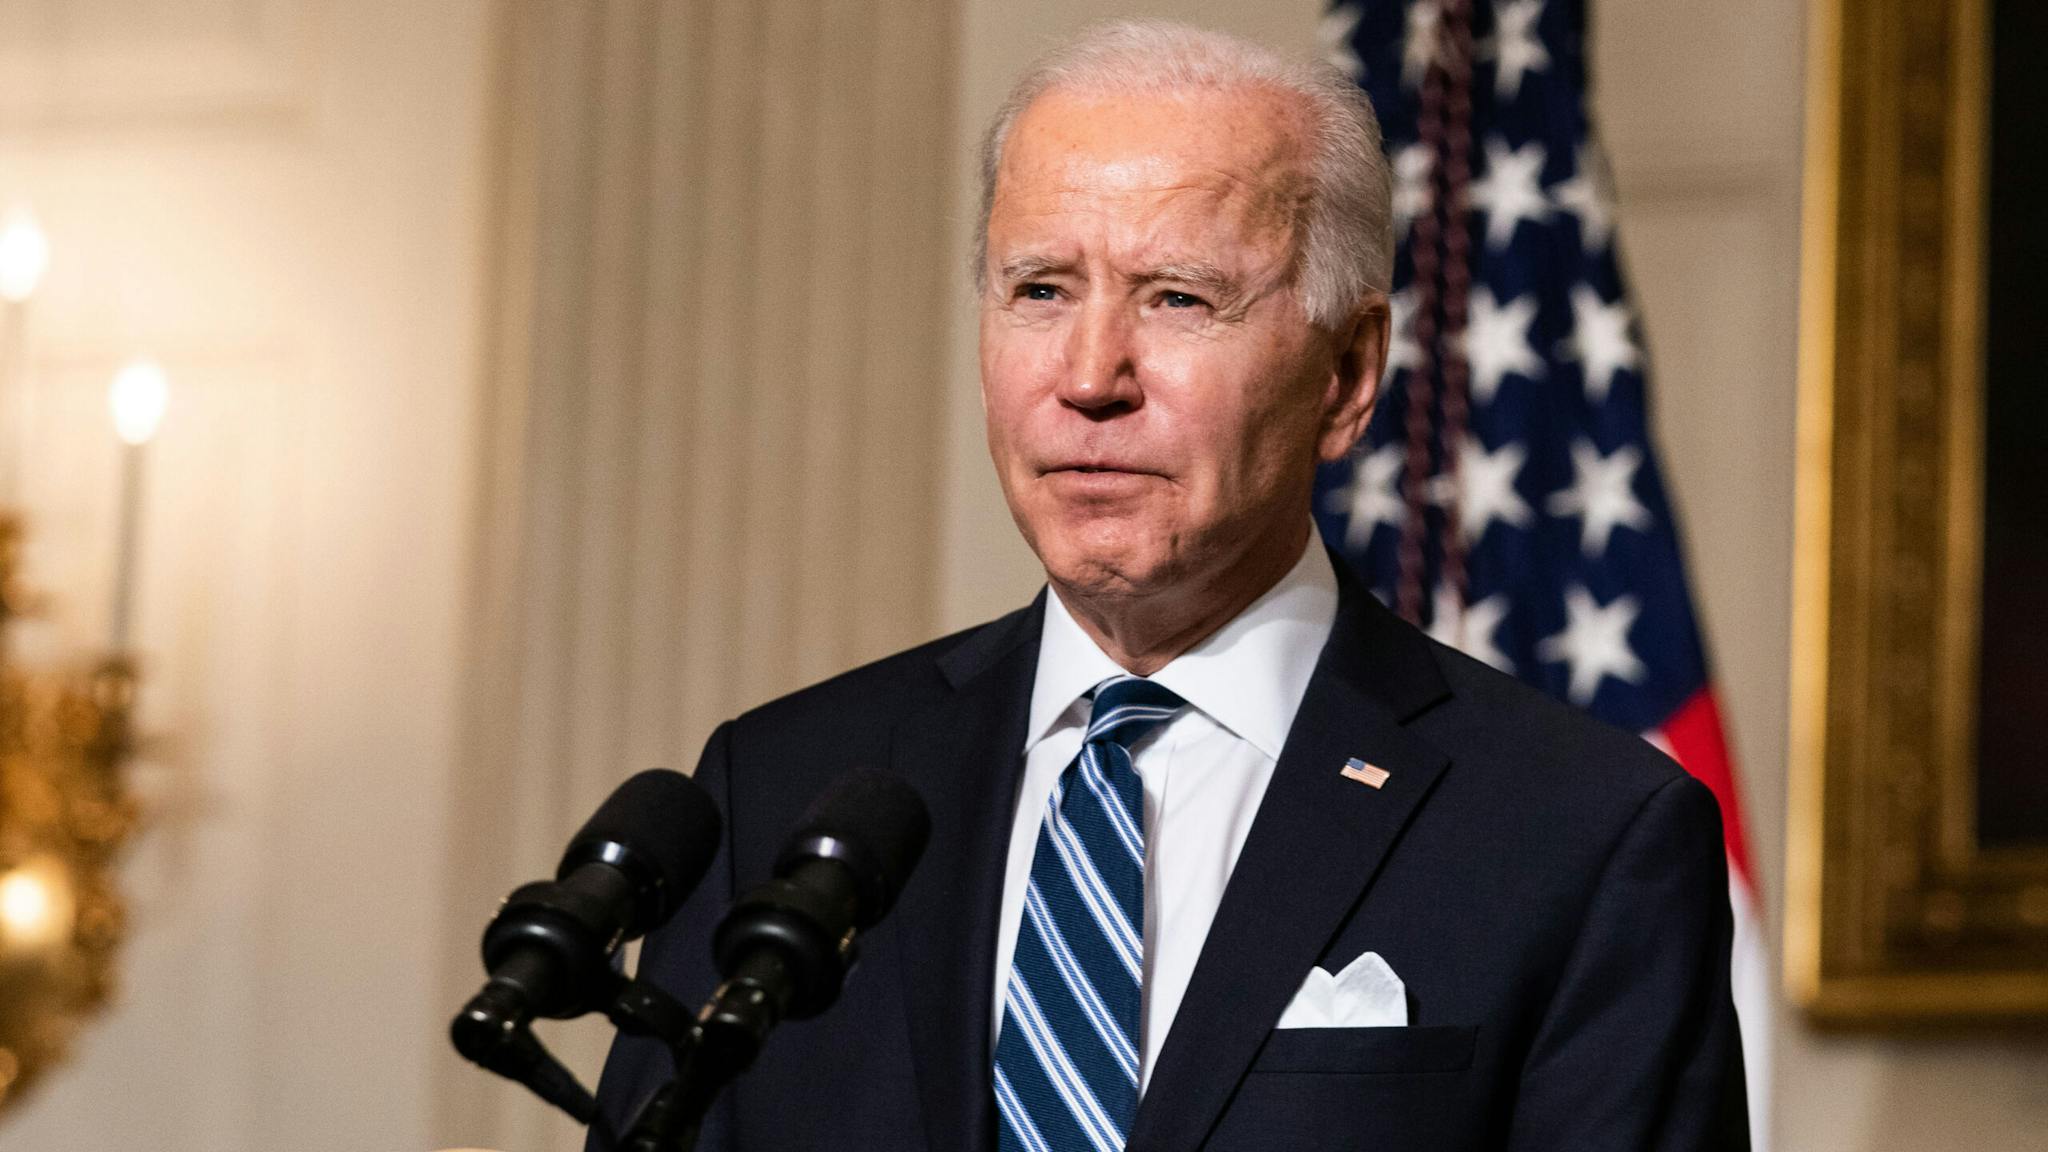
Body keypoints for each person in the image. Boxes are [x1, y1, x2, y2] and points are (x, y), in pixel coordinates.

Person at [591, 20, 1745, 1152]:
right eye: (1039, 289)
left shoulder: (1581, 838)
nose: (1088, 377)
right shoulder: (778, 792)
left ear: (1346, 375)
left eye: (1177, 299)